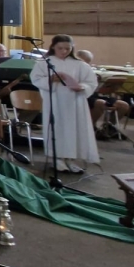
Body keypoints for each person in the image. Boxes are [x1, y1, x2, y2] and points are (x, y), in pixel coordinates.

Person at [30, 35, 99, 173]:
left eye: (67, 48)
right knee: (58, 128)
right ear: (53, 47)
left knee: (75, 130)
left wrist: (82, 87)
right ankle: (57, 159)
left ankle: (71, 159)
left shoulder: (80, 64)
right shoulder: (44, 63)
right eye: (60, 48)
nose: (64, 51)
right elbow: (35, 79)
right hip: (55, 101)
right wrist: (50, 80)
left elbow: (91, 82)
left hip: (75, 102)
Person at [75, 49, 132, 136]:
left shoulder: (90, 71)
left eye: (88, 62)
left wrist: (110, 88)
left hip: (95, 94)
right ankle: (90, 128)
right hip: (83, 96)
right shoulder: (73, 70)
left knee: (123, 105)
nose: (86, 65)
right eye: (84, 62)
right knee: (100, 103)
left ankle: (108, 127)